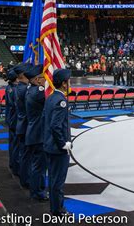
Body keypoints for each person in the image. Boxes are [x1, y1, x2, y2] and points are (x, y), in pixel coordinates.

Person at [44, 69, 72, 216]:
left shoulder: (50, 97)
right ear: (63, 83)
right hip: (57, 148)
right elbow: (56, 125)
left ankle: (54, 208)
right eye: (68, 81)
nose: (70, 83)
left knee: (54, 179)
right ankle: (58, 210)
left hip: (49, 145)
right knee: (58, 181)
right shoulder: (61, 101)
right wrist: (63, 143)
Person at [24, 64, 48, 201]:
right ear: (38, 80)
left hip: (33, 132)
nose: (46, 80)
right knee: (39, 166)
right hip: (38, 134)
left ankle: (37, 190)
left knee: (36, 165)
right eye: (44, 77)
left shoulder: (30, 90)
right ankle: (37, 192)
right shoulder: (39, 92)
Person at [14, 63, 30, 188]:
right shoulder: (24, 89)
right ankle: (25, 180)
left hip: (21, 123)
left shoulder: (18, 87)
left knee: (23, 154)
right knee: (25, 155)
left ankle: (24, 177)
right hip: (25, 125)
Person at [4, 69, 19, 175]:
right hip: (14, 118)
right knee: (15, 143)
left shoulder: (9, 87)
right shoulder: (13, 89)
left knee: (12, 143)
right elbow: (15, 104)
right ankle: (15, 165)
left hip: (10, 117)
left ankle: (12, 163)